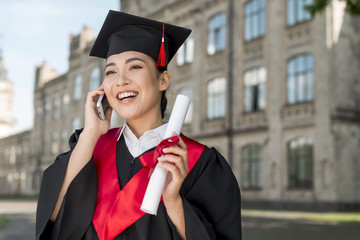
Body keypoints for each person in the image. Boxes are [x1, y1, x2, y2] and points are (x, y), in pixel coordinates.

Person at [36, 10, 242, 240]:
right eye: (111, 71)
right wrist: (92, 132)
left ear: (163, 80)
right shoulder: (89, 149)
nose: (121, 79)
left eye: (135, 67)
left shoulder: (201, 164)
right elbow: (54, 221)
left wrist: (173, 201)